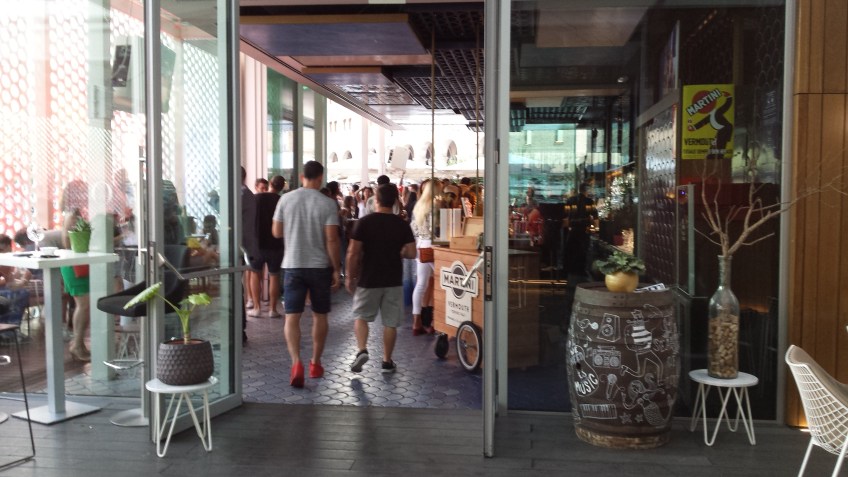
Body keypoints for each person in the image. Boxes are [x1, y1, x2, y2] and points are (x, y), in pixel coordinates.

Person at [272, 160, 341, 387]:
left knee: (292, 316)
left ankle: (296, 363)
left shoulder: (285, 199)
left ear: (302, 176)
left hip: (293, 265)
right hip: (319, 267)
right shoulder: (327, 203)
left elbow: (276, 232)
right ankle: (315, 363)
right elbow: (332, 239)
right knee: (320, 315)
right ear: (320, 178)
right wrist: (336, 268)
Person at [346, 184, 416, 373]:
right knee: (390, 323)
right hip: (393, 279)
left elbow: (353, 253)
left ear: (376, 200)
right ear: (395, 201)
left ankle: (362, 350)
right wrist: (400, 251)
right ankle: (387, 361)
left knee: (361, 316)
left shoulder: (364, 222)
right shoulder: (402, 224)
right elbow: (412, 253)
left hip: (368, 278)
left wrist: (350, 277)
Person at [251, 179, 284, 319]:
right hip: (276, 244)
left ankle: (257, 308)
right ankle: (272, 309)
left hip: (257, 243)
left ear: (270, 184)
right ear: (281, 188)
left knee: (255, 274)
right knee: (274, 276)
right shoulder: (281, 200)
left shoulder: (256, 198)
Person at [410, 180, 436, 334]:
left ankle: (416, 322)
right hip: (433, 246)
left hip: (421, 245)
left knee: (421, 285)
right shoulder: (435, 206)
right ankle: (434, 321)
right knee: (441, 282)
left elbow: (413, 228)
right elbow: (437, 229)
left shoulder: (419, 206)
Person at [564, 183, 599, 276]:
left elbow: (566, 215)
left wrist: (568, 227)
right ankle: (581, 272)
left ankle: (571, 271)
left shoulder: (570, 200)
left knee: (571, 250)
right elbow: (595, 217)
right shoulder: (590, 201)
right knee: (583, 251)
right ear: (586, 190)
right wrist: (596, 229)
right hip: (584, 230)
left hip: (573, 230)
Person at [241, 167, 257, 343]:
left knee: (238, 285)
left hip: (242, 245)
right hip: (244, 244)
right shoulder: (247, 195)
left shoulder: (244, 195)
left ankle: (240, 327)